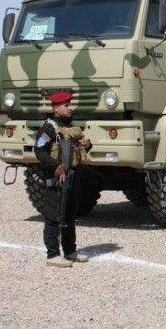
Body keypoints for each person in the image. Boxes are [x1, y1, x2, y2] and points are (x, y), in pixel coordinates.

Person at [34, 91, 93, 267]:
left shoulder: (70, 127)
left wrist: (87, 145)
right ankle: (52, 255)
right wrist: (55, 166)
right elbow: (39, 150)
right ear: (55, 108)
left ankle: (69, 251)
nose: (69, 108)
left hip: (72, 176)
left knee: (69, 214)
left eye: (70, 105)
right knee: (54, 215)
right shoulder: (49, 128)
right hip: (56, 178)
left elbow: (75, 151)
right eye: (66, 105)